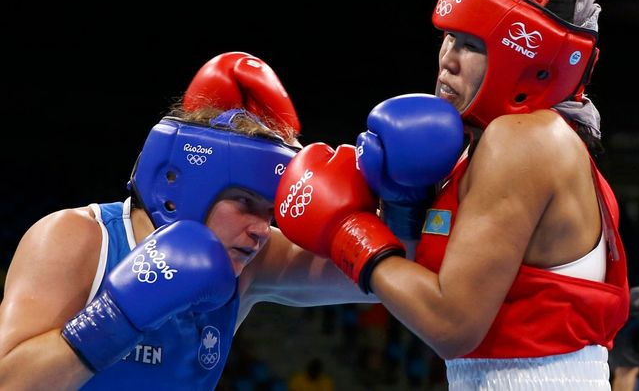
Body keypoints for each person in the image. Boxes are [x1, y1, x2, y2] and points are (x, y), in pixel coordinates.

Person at [272, 0, 630, 389]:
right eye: (449, 37)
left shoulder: (526, 139)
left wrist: (347, 230)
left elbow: (451, 325)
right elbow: (417, 284)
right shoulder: (476, 153)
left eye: (472, 45)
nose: (448, 59)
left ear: (529, 62)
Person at [0, 51, 375, 390]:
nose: (262, 229)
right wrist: (114, 317)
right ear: (187, 189)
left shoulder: (251, 263)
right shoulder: (77, 238)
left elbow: (381, 268)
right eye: (245, 202)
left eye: (270, 212)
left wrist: (405, 198)